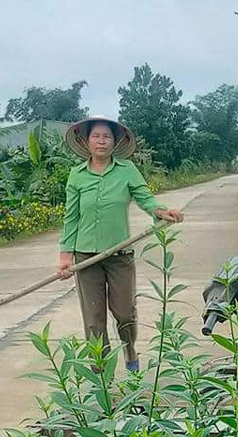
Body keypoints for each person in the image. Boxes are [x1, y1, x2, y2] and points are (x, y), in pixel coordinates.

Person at [56, 117, 184, 372]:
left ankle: (130, 354)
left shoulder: (126, 170)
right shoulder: (77, 175)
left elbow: (145, 198)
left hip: (119, 254)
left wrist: (160, 211)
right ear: (86, 141)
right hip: (86, 257)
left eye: (107, 136)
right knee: (94, 320)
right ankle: (100, 373)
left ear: (115, 142)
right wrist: (65, 256)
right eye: (96, 136)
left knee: (125, 313)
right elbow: (71, 217)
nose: (101, 140)